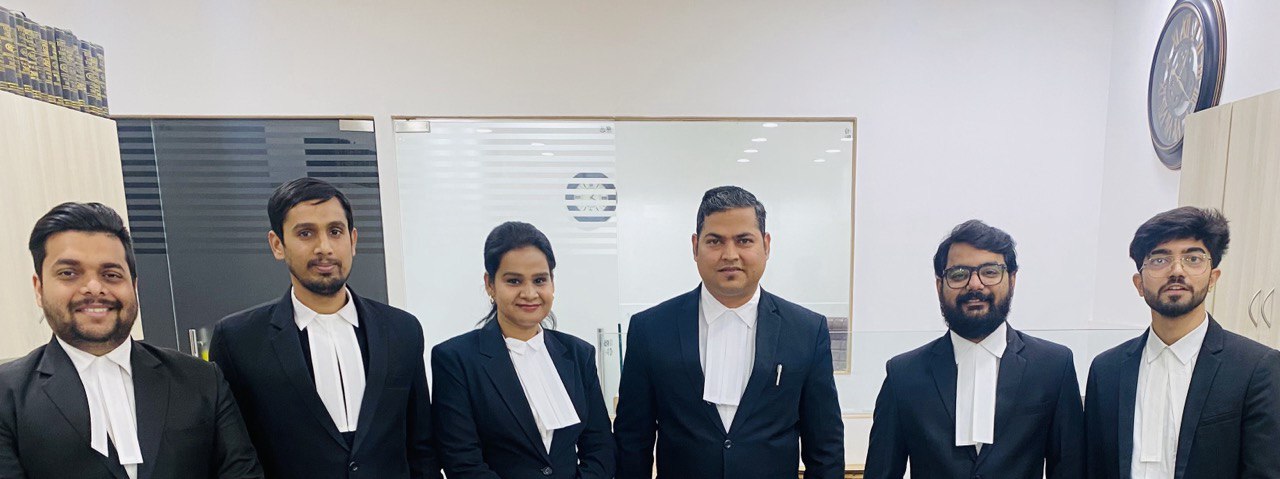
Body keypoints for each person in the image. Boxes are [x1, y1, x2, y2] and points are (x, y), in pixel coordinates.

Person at [0, 202, 263, 478]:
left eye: (111, 275)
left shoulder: (201, 380)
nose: (94, 288)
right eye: (69, 273)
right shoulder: (7, 396)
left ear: (134, 286)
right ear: (39, 288)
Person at [209, 178, 441, 478]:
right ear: (277, 244)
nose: (325, 248)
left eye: (335, 231)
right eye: (305, 233)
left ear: (353, 240)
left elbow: (421, 449)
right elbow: (234, 458)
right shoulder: (238, 339)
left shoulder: (402, 330)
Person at [613, 185, 844, 479]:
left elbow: (825, 447)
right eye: (715, 241)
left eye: (744, 240)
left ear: (766, 245)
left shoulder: (807, 331)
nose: (730, 255)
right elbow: (633, 442)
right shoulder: (650, 330)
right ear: (695, 246)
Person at [864, 220, 1084, 478]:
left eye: (990, 272)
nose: (975, 284)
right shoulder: (903, 374)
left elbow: (1070, 469)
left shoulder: (1053, 366)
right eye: (959, 274)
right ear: (939, 286)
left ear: (1012, 280)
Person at [1084, 206, 1280, 478]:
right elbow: (1093, 468)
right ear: (1139, 283)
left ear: (1212, 278)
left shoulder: (1256, 368)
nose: (1177, 270)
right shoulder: (1106, 370)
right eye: (1159, 260)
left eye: (1193, 258)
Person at [431, 221, 615, 478]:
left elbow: (600, 448)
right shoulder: (456, 359)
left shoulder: (578, 354)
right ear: (490, 284)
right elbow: (462, 462)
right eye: (514, 281)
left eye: (540, 280)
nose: (529, 293)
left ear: (552, 283)